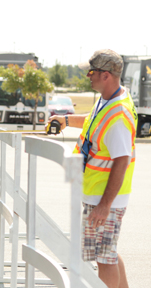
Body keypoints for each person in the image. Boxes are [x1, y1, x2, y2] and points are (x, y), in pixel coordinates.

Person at [47, 49, 137, 288]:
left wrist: (104, 206)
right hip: (96, 192)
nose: (88, 76)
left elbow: (122, 160)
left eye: (91, 72)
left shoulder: (118, 114)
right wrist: (66, 120)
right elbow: (92, 120)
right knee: (107, 253)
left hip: (105, 197)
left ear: (105, 75)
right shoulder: (107, 100)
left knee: (104, 259)